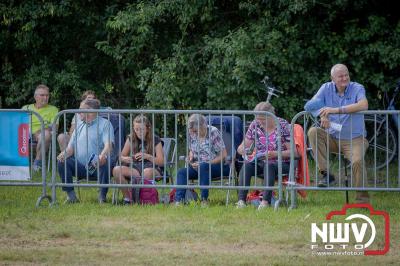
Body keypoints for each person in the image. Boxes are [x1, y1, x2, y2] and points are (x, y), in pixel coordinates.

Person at [306, 63, 369, 203]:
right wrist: (323, 115)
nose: (344, 78)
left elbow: (364, 105)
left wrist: (335, 110)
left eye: (346, 75)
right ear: (332, 78)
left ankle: (362, 201)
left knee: (358, 161)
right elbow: (310, 105)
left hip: (355, 139)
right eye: (340, 76)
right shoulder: (325, 87)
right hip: (333, 137)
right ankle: (327, 174)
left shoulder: (357, 87)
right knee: (313, 132)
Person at [236, 102, 293, 210]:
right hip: (260, 160)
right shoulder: (255, 124)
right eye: (258, 118)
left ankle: (265, 202)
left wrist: (275, 154)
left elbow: (293, 151)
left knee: (269, 165)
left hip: (281, 162)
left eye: (263, 119)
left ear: (272, 116)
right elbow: (241, 147)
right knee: (247, 165)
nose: (260, 122)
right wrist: (243, 150)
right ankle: (241, 200)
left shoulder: (283, 125)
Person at [57, 99, 114, 204]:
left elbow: (108, 145)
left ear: (91, 111)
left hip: (97, 166)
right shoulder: (79, 126)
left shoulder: (105, 124)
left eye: (81, 109)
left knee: (105, 160)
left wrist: (102, 156)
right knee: (62, 161)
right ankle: (71, 197)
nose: (78, 112)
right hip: (81, 167)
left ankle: (102, 197)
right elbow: (70, 149)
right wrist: (63, 154)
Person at [175, 114, 229, 206]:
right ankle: (179, 201)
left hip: (216, 166)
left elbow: (224, 155)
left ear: (203, 125)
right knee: (181, 172)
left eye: (196, 131)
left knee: (204, 166)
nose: (194, 134)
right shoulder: (192, 133)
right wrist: (190, 158)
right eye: (192, 132)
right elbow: (192, 150)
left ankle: (204, 200)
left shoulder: (213, 132)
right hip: (197, 166)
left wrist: (207, 163)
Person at [112, 115, 164, 205]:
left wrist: (148, 156)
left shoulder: (155, 139)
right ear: (133, 128)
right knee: (116, 170)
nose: (139, 132)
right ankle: (128, 199)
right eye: (136, 129)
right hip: (135, 168)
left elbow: (161, 161)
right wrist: (125, 159)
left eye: (142, 129)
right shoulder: (131, 138)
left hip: (152, 168)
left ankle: (142, 198)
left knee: (146, 172)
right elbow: (121, 156)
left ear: (148, 128)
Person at [22, 84, 59, 171]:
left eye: (47, 95)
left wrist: (41, 131)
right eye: (42, 95)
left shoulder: (53, 109)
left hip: (42, 135)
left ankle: (37, 163)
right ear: (35, 97)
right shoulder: (26, 108)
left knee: (45, 134)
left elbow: (55, 127)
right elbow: (18, 124)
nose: (45, 98)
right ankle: (15, 163)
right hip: (25, 134)